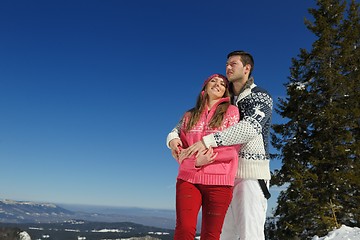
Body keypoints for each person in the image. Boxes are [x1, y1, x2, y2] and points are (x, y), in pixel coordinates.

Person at [167, 51, 273, 240]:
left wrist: (208, 141)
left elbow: (250, 128)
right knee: (224, 235)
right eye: (227, 64)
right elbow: (187, 124)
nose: (228, 67)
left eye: (233, 64)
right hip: (223, 175)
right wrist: (172, 137)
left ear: (247, 68)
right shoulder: (226, 98)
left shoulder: (260, 96)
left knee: (251, 233)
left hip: (250, 175)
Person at [168, 73, 240, 240]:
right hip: (188, 179)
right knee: (184, 230)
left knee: (211, 234)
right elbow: (181, 152)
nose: (218, 84)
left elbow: (232, 148)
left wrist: (207, 158)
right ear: (205, 88)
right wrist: (195, 162)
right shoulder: (188, 116)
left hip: (219, 182)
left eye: (222, 83)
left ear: (225, 91)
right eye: (213, 81)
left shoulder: (231, 112)